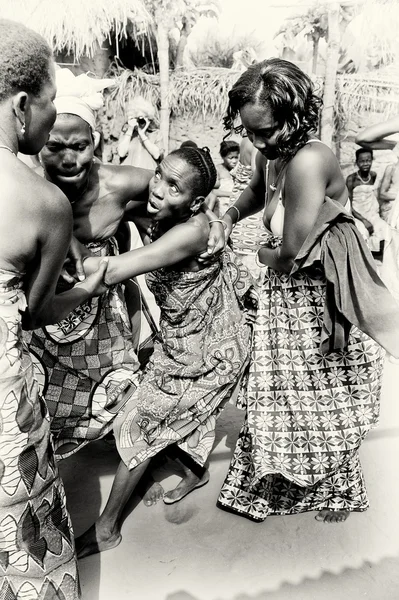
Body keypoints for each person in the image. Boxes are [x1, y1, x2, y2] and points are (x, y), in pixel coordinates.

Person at [209, 58, 397, 524]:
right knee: (284, 390)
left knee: (318, 391)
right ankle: (282, 476)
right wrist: (231, 216)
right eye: (250, 132)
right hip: (287, 296)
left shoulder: (311, 159)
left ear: (295, 116)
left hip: (317, 297)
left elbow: (290, 253)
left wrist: (258, 256)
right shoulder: (270, 153)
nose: (257, 142)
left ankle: (334, 483)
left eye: (267, 131)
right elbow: (256, 192)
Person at [24, 70, 225, 461]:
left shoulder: (119, 182)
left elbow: (191, 190)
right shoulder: (25, 186)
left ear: (96, 142)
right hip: (44, 315)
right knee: (40, 403)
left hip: (103, 319)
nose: (69, 159)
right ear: (38, 146)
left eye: (80, 146)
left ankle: (135, 456)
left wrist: (214, 220)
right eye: (55, 147)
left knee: (119, 392)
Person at [74, 146, 256, 558]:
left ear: (194, 201)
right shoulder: (159, 213)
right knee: (167, 410)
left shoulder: (190, 231)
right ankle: (195, 470)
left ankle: (107, 530)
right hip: (181, 341)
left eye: (173, 187)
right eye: (159, 175)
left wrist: (55, 234)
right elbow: (111, 204)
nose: (157, 189)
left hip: (211, 352)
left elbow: (111, 270)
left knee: (142, 424)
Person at [0, 20, 107, 599]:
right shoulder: (44, 202)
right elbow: (34, 313)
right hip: (3, 405)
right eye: (48, 102)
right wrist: (88, 288)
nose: (50, 119)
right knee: (23, 537)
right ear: (22, 105)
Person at [345, 148, 384, 256]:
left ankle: (381, 266)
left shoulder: (374, 176)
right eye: (362, 161)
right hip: (357, 215)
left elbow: (376, 197)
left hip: (372, 214)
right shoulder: (351, 179)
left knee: (384, 231)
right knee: (362, 233)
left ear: (372, 160)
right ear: (357, 162)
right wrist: (363, 220)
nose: (365, 164)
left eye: (368, 160)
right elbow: (348, 203)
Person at [117, 95, 163, 170]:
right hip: (128, 176)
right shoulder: (126, 133)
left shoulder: (155, 134)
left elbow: (157, 155)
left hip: (148, 176)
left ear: (148, 118)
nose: (139, 122)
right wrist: (130, 130)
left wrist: (142, 135)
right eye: (136, 119)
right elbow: (121, 153)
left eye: (142, 118)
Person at [213, 140, 239, 216]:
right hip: (223, 205)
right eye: (230, 158)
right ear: (223, 157)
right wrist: (232, 194)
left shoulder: (239, 169)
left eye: (236, 157)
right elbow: (214, 192)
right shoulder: (218, 169)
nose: (234, 161)